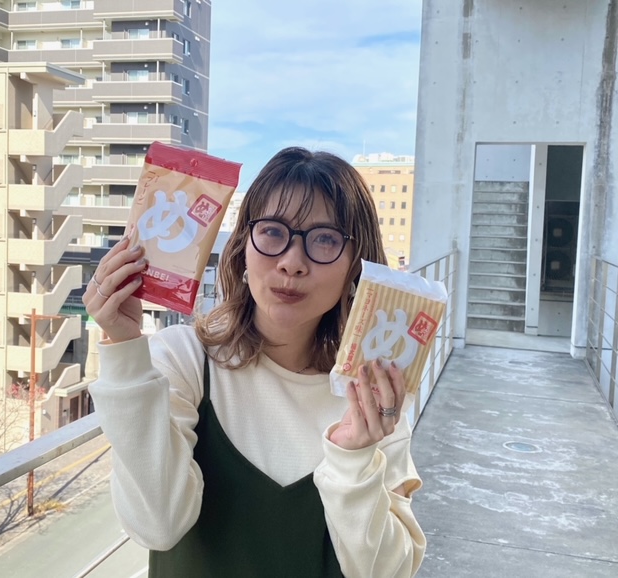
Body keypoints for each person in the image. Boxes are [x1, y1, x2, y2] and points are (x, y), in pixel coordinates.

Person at [84, 147, 426, 577]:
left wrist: (355, 459)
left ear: (355, 267)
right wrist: (124, 348)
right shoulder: (184, 359)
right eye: (272, 232)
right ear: (243, 245)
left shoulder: (373, 396)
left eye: (324, 239)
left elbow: (389, 571)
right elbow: (157, 526)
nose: (292, 263)